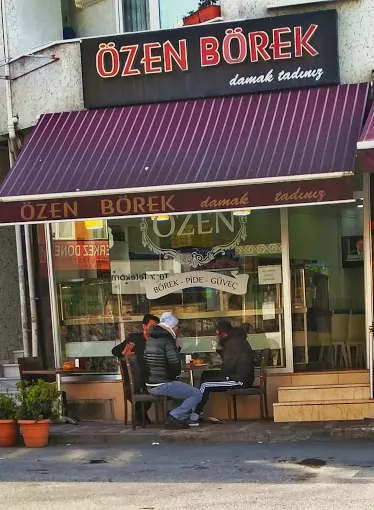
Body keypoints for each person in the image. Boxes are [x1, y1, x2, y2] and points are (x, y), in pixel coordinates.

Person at [144, 312, 202, 429]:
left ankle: (181, 416)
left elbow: (147, 359)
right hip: (162, 384)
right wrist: (174, 374)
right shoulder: (167, 339)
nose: (177, 330)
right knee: (196, 394)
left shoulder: (151, 339)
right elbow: (175, 363)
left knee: (182, 390)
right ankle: (174, 416)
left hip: (151, 384)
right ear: (173, 328)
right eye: (177, 328)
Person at [195, 320, 254, 418]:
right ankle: (199, 411)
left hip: (239, 380)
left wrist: (218, 372)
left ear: (222, 333)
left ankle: (194, 414)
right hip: (239, 376)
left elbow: (228, 366)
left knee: (205, 384)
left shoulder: (233, 343)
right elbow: (231, 361)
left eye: (218, 334)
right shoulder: (235, 340)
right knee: (205, 375)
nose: (217, 337)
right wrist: (221, 351)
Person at [112, 313, 159, 426]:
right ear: (144, 326)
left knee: (155, 383)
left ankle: (140, 415)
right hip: (134, 382)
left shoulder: (158, 341)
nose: (154, 330)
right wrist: (123, 354)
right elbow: (115, 351)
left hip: (152, 378)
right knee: (143, 385)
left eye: (157, 327)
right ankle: (140, 414)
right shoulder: (134, 339)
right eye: (152, 326)